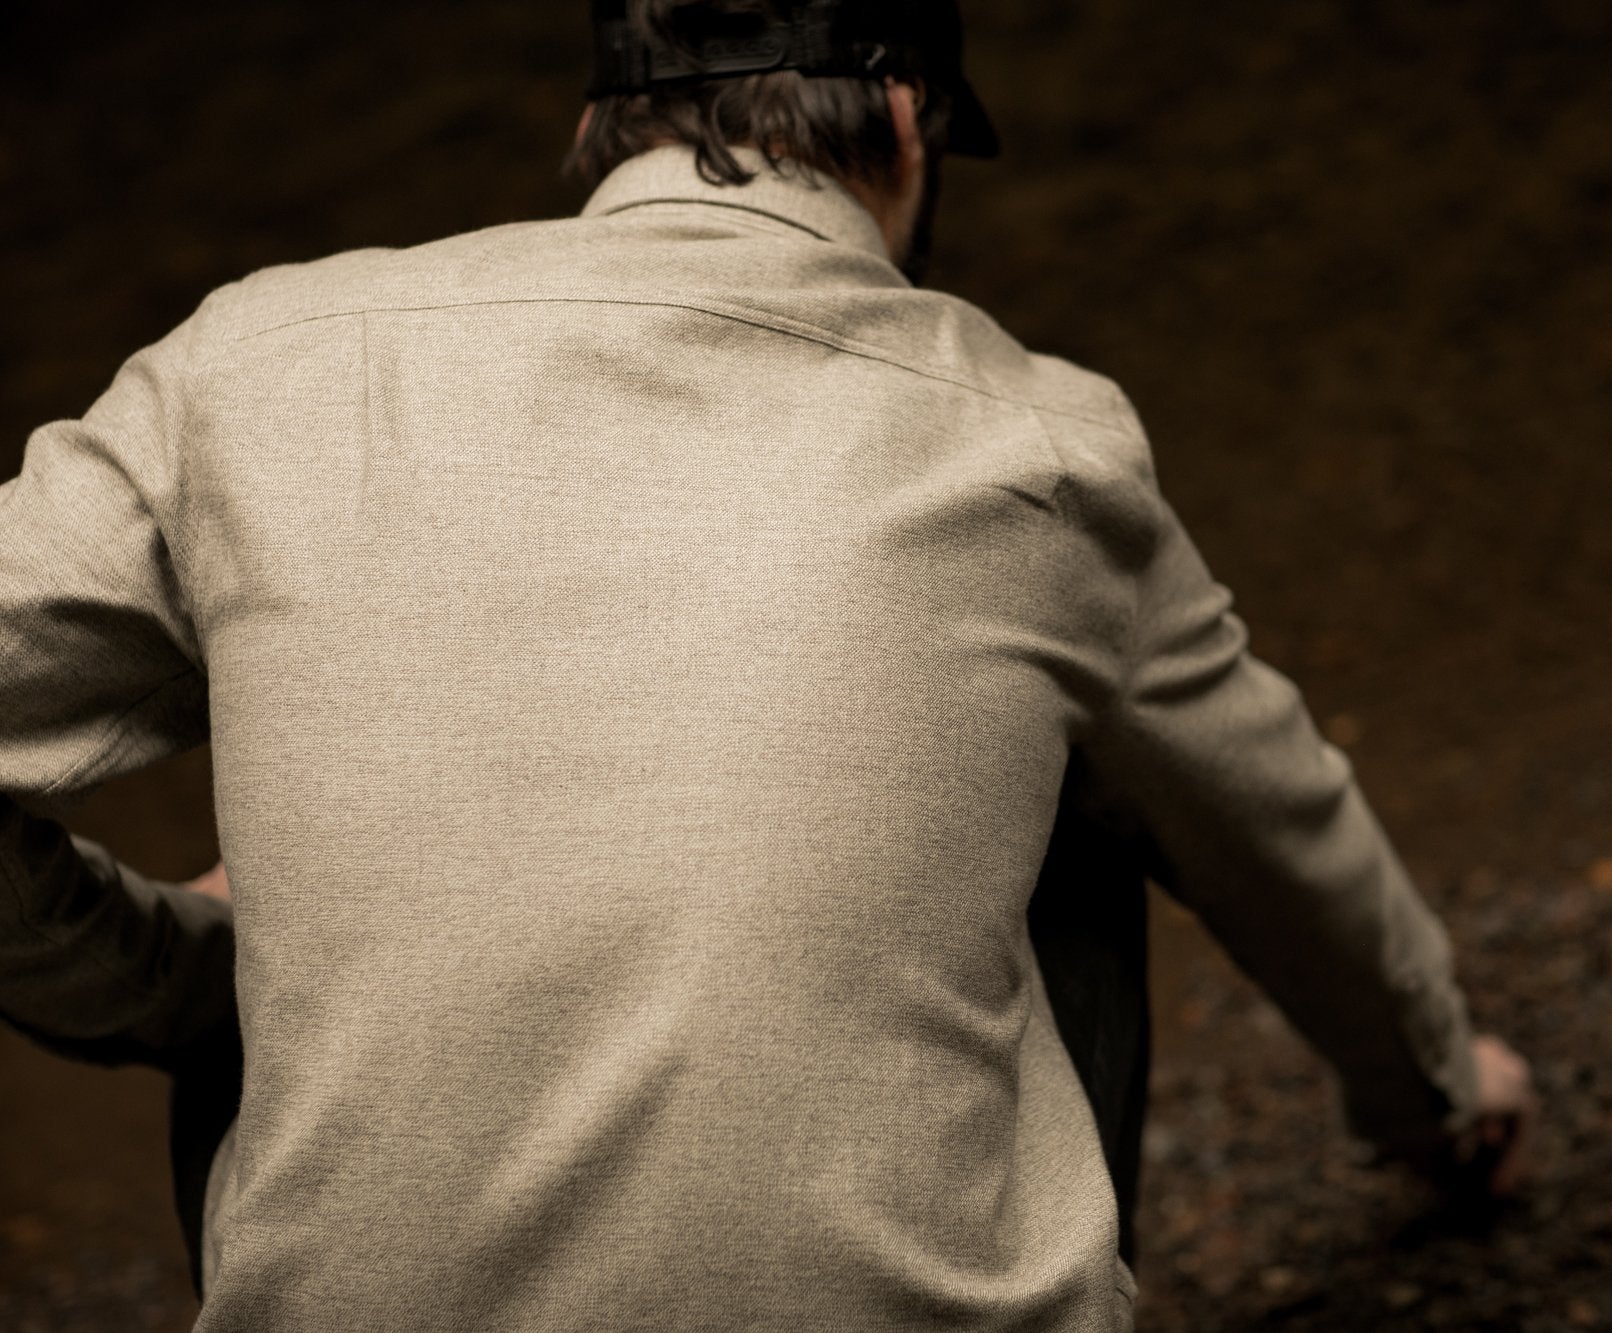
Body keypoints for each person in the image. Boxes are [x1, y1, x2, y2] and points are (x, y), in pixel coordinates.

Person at [0, 0, 1533, 1327]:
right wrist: (1441, 1094)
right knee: (1071, 785)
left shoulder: (246, 363)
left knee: (281, 940)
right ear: (913, 123)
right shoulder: (1034, 433)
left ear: (602, 117)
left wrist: (163, 974)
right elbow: (1278, 830)